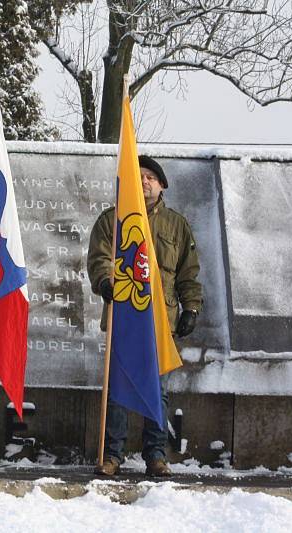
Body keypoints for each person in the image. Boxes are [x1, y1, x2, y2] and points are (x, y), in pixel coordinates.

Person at [87, 155, 202, 477]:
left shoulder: (177, 225)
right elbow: (99, 259)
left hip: (161, 320)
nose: (144, 182)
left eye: (150, 177)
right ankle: (112, 456)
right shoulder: (111, 220)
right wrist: (106, 283)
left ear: (161, 184)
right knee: (118, 389)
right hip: (124, 317)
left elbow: (188, 274)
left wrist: (191, 308)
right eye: (138, 176)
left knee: (158, 390)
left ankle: (155, 456)